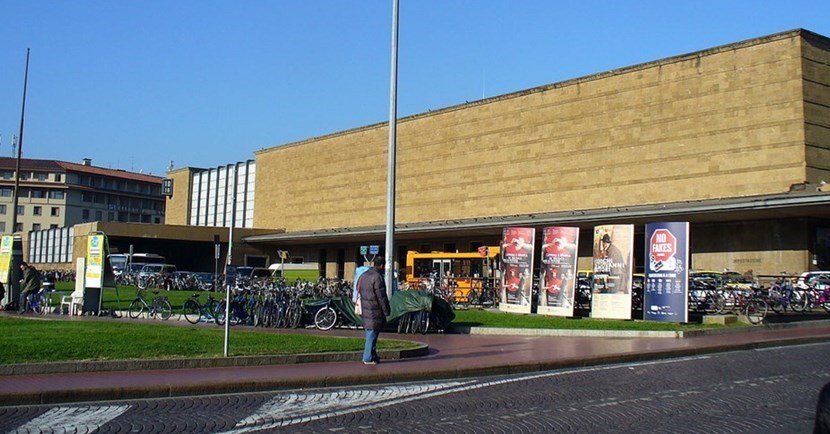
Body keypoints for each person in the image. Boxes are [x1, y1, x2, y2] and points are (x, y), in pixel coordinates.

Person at [358, 257, 391, 365]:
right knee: (372, 334)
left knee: (369, 332)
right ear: (381, 265)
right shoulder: (378, 277)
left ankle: (372, 355)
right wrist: (386, 311)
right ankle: (367, 357)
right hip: (375, 309)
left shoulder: (364, 275)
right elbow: (381, 297)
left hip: (365, 307)